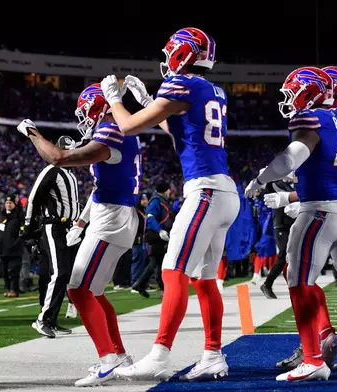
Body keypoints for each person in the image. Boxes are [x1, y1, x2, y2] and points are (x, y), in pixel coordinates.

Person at [101, 27, 239, 381]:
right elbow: (180, 129)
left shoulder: (182, 85)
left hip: (205, 190)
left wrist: (114, 99)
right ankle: (213, 355)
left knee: (172, 269)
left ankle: (160, 354)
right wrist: (150, 103)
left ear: (181, 55)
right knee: (205, 279)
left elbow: (129, 126)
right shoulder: (212, 89)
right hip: (224, 192)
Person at [244, 66, 337, 382]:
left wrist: (261, 178)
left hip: (321, 209)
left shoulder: (312, 119)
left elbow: (290, 159)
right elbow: (326, 163)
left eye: (292, 91)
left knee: (298, 278)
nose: (289, 99)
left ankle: (314, 357)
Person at [16, 81, 141, 387]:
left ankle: (107, 359)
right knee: (95, 291)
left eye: (86, 110)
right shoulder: (122, 131)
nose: (83, 117)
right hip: (115, 213)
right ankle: (119, 355)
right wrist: (82, 222)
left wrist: (32, 132)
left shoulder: (111, 131)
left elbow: (56, 157)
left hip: (112, 217)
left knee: (77, 289)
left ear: (100, 107)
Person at [23, 135, 80, 338]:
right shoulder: (51, 171)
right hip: (53, 226)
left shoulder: (70, 174)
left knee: (63, 274)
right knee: (59, 273)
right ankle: (43, 319)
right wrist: (28, 229)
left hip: (68, 229)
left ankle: (52, 320)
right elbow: (33, 200)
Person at [132, 182, 173, 298]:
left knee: (156, 263)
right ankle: (159, 288)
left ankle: (141, 284)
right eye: (168, 190)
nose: (170, 192)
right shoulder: (156, 201)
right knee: (157, 263)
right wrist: (160, 230)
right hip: (156, 237)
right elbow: (150, 217)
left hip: (158, 236)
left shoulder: (159, 201)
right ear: (165, 190)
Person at [260, 174, 297, 299]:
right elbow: (269, 185)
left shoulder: (291, 185)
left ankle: (295, 284)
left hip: (292, 223)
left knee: (293, 255)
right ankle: (267, 284)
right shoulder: (276, 183)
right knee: (283, 254)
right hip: (281, 224)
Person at [0, 195, 25, 297]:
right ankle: (7, 288)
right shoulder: (1, 216)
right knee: (5, 271)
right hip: (2, 249)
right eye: (7, 203)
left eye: (10, 203)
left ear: (14, 204)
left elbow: (23, 232)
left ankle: (14, 289)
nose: (8, 205)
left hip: (15, 249)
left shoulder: (19, 215)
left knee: (14, 271)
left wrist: (17, 243)